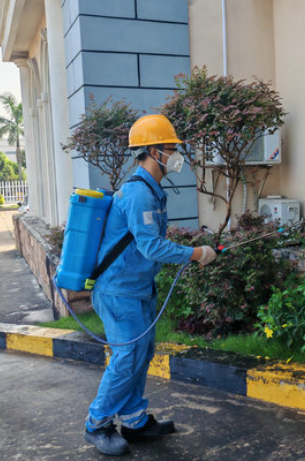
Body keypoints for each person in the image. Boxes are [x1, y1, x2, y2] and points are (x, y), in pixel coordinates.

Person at [83, 114, 216, 456]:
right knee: (127, 357)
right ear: (154, 151)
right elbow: (151, 247)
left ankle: (134, 420)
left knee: (140, 355)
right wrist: (196, 254)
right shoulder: (138, 194)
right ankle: (96, 424)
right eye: (172, 148)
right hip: (118, 291)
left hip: (138, 288)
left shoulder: (152, 190)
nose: (177, 155)